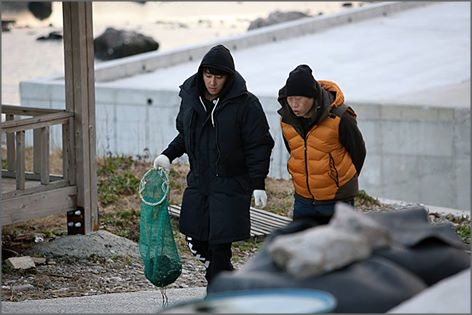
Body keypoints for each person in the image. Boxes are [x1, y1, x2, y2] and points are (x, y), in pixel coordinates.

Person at [153, 44, 274, 286]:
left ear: (228, 77)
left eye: (219, 77)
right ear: (202, 74)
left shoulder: (246, 104)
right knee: (194, 237)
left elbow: (259, 145)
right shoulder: (190, 98)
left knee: (220, 247)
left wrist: (258, 183)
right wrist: (168, 155)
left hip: (231, 184)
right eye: (208, 75)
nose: (213, 82)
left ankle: (219, 292)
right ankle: (228, 280)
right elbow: (186, 135)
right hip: (199, 182)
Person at [277, 64, 366, 223]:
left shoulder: (340, 117)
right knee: (304, 245)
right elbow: (295, 151)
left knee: (339, 246)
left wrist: (341, 181)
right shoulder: (287, 121)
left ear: (312, 97)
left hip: (337, 199)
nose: (294, 104)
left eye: (299, 99)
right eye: (290, 99)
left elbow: (358, 152)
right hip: (303, 199)